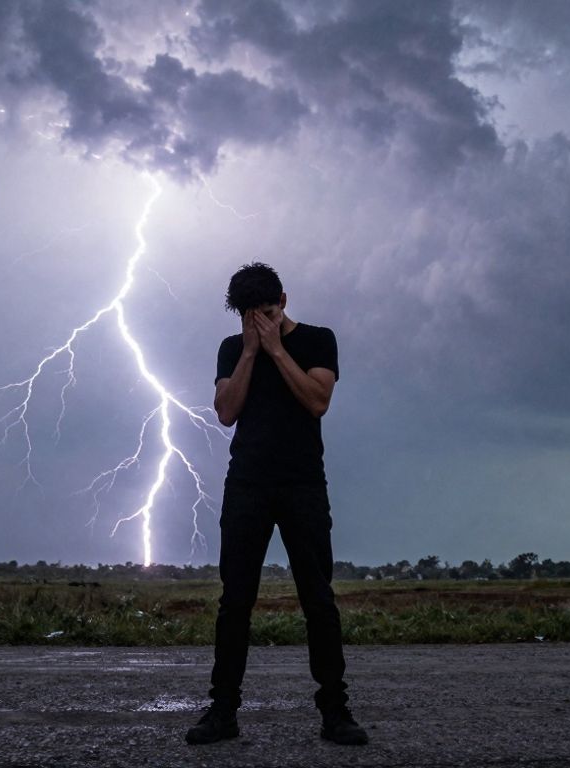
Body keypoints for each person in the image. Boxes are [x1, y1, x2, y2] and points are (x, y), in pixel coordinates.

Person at [185, 263, 368, 747]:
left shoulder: (317, 340)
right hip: (246, 485)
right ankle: (223, 711)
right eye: (250, 317)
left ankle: (336, 711)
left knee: (318, 599)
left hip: (303, 484)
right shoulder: (232, 348)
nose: (259, 324)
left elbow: (317, 400)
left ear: (283, 300)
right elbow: (225, 412)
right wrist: (249, 352)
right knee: (235, 603)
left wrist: (276, 349)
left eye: (266, 313)